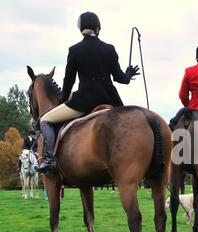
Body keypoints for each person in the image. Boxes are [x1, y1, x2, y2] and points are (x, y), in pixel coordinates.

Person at [36, 12, 140, 173]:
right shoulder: (109, 49)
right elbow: (121, 79)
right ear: (98, 28)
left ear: (80, 29)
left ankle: (49, 159)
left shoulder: (75, 50)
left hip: (83, 102)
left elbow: (68, 81)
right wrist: (129, 73)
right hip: (110, 99)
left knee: (45, 120)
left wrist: (63, 99)